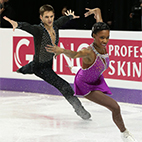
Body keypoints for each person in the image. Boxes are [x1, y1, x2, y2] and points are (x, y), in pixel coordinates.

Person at [46, 8, 138, 142]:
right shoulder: (89, 52)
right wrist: (62, 50)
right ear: (93, 36)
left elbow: (100, 23)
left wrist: (98, 11)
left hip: (96, 79)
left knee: (114, 107)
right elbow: (75, 54)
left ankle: (76, 70)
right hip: (86, 85)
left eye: (107, 37)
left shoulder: (101, 38)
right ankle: (125, 134)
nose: (105, 41)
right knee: (115, 107)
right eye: (102, 38)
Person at [3, 4, 91, 120]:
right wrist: (18, 25)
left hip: (45, 63)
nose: (49, 20)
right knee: (64, 87)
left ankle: (22, 70)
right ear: (41, 17)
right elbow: (28, 27)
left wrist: (69, 17)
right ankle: (80, 111)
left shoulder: (55, 26)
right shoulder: (39, 30)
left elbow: (62, 20)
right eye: (46, 17)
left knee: (28, 68)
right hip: (41, 68)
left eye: (51, 16)